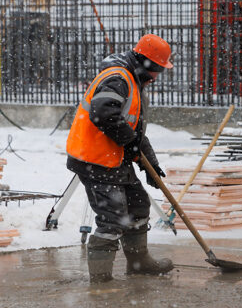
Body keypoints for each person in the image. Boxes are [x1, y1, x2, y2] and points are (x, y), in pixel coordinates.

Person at [66, 34, 175, 283]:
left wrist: (151, 165)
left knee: (137, 204)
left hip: (113, 157)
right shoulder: (118, 78)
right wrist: (130, 142)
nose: (157, 76)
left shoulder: (133, 81)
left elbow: (133, 131)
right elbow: (103, 112)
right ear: (145, 62)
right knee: (113, 218)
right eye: (157, 69)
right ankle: (101, 279)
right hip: (93, 158)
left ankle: (139, 263)